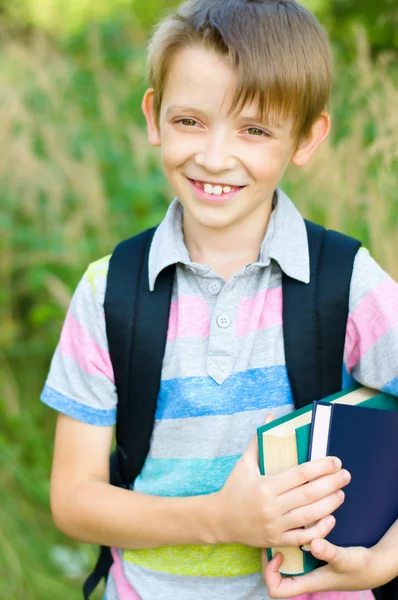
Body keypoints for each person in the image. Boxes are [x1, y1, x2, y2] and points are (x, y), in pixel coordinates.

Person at [41, 1, 398, 599]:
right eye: (190, 121)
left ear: (307, 138)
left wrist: (387, 559)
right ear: (154, 116)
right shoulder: (109, 293)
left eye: (254, 129)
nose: (213, 157)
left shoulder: (347, 282)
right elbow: (74, 500)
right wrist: (221, 520)